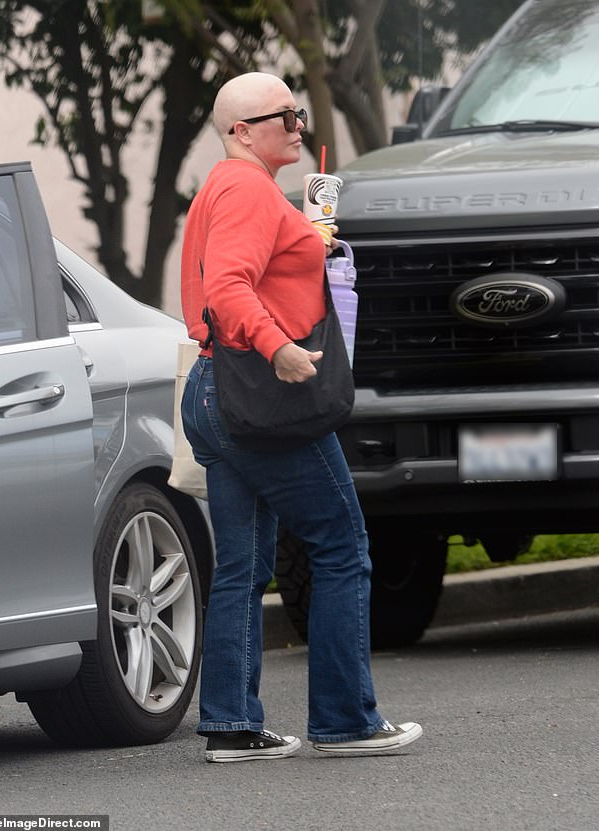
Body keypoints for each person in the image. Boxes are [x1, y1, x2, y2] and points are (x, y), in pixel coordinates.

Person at [180, 71, 423, 763]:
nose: (295, 124)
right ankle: (346, 719)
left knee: (241, 566)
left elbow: (230, 277)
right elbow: (227, 285)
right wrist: (279, 346)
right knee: (343, 546)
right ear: (238, 131)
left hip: (212, 390)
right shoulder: (247, 188)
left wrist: (308, 241)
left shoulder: (227, 190)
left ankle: (231, 725)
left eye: (297, 112)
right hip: (261, 394)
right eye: (280, 115)